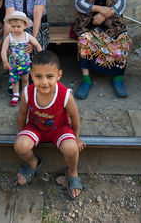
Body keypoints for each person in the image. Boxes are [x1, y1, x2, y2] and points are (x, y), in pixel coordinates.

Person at [13, 50, 86, 199]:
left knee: (72, 148)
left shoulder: (65, 94)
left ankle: (72, 171)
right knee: (19, 145)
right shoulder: (28, 92)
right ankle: (33, 162)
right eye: (38, 76)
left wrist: (77, 138)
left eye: (50, 76)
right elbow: (21, 114)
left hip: (60, 129)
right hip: (35, 128)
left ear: (59, 75)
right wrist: (20, 134)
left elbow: (75, 117)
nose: (44, 82)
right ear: (31, 75)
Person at [73, 0, 130, 99]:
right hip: (88, 24)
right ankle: (86, 80)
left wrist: (105, 15)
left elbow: (121, 4)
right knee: (84, 39)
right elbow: (79, 3)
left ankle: (118, 79)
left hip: (113, 24)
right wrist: (100, 9)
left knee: (123, 40)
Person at [1, 11, 43, 106]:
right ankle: (15, 95)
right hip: (13, 65)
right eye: (13, 27)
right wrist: (5, 62)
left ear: (25, 26)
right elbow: (3, 49)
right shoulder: (10, 37)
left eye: (18, 27)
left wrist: (41, 57)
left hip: (25, 65)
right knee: (15, 81)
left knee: (25, 80)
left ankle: (25, 95)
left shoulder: (27, 36)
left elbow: (37, 45)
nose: (15, 29)